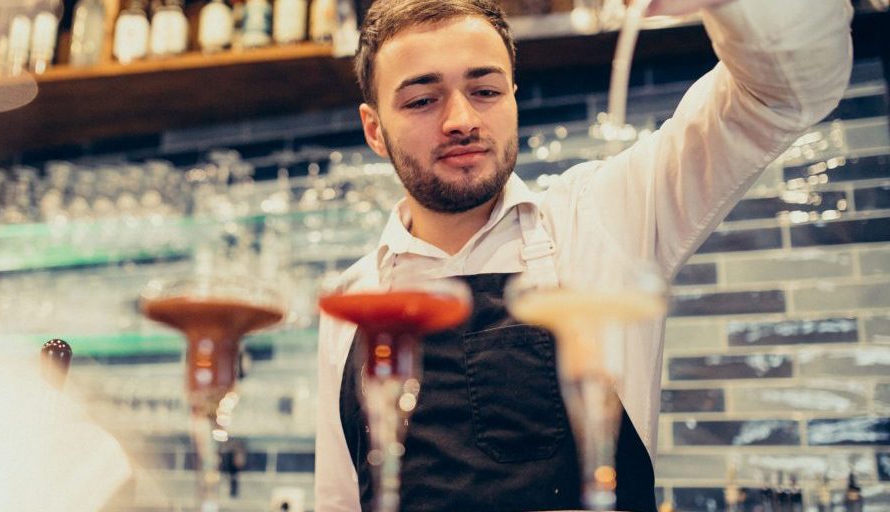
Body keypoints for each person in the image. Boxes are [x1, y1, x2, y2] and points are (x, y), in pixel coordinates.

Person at [315, 0, 853, 510]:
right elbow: (338, 501)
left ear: (513, 98)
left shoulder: (604, 217)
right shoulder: (353, 301)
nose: (461, 118)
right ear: (374, 130)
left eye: (485, 90)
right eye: (421, 100)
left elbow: (784, 96)